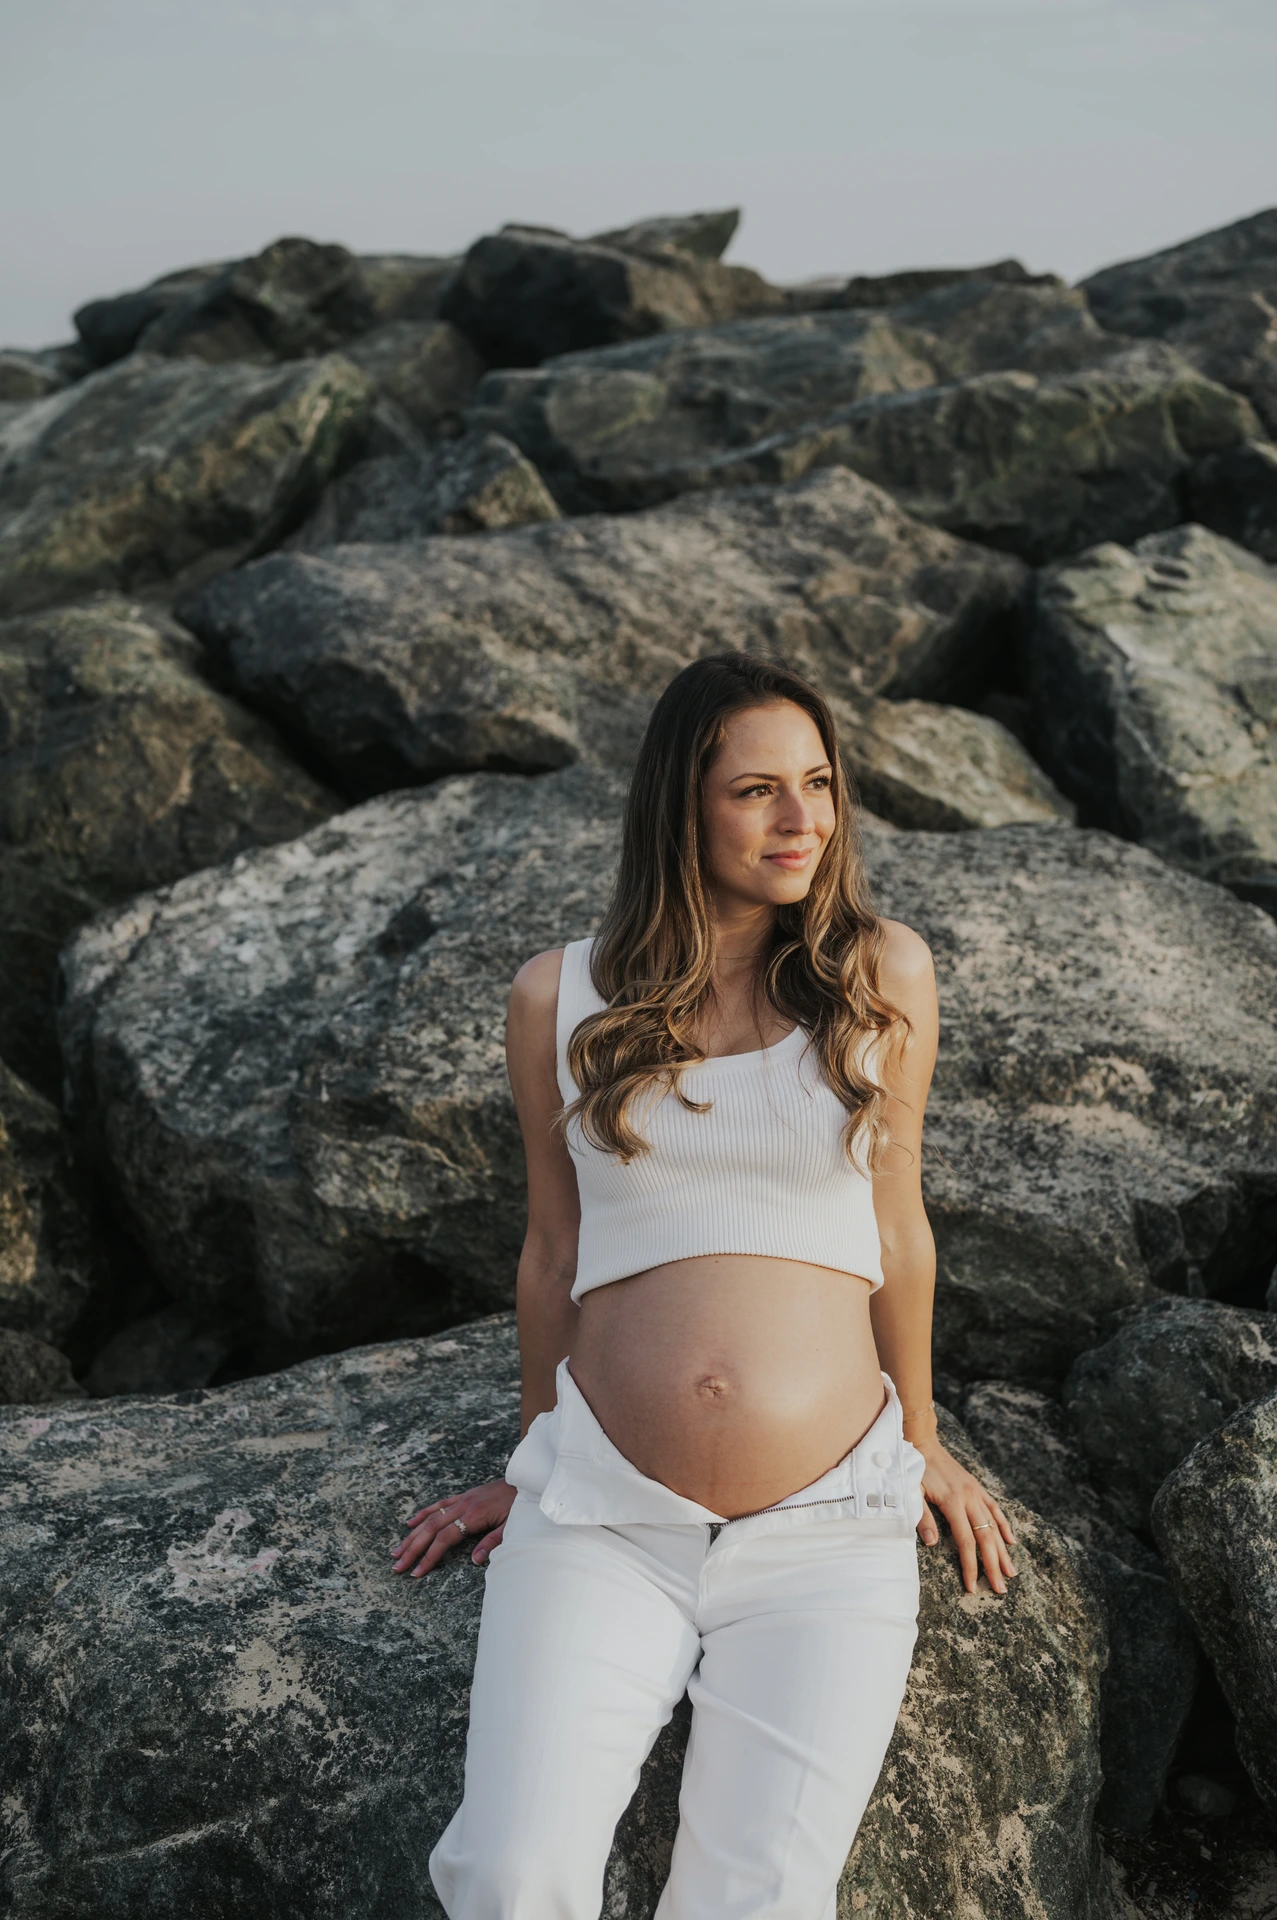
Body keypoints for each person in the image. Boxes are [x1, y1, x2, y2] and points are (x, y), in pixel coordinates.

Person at [393, 652, 1016, 1919]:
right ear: (680, 806)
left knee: (757, 1899)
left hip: (829, 1526)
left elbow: (897, 1230)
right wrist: (532, 1463)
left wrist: (922, 1441)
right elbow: (553, 1252)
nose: (802, 821)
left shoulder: (878, 976)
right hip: (605, 1518)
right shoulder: (555, 997)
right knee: (511, 1876)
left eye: (818, 785)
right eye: (756, 792)